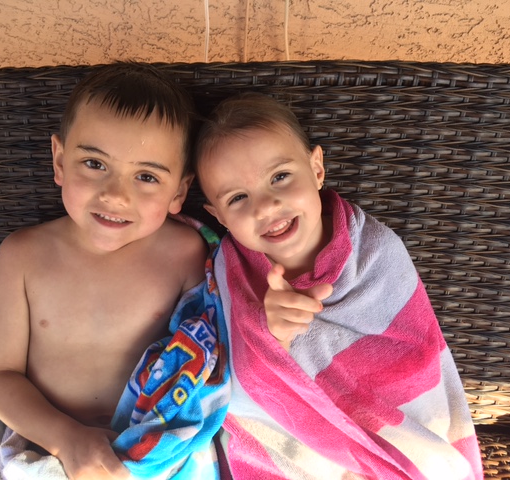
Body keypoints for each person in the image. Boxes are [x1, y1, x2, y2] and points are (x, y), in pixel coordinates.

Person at [194, 92, 483, 479]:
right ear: (219, 216)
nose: (265, 207)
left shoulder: (375, 252)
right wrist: (271, 337)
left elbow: (415, 354)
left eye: (280, 177)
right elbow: (233, 388)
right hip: (301, 451)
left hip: (395, 438)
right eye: (238, 198)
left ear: (316, 169)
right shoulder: (229, 275)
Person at [0, 62, 210, 479]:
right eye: (95, 164)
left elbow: (210, 359)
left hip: (155, 448)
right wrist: (66, 439)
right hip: (46, 440)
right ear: (60, 160)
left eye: (146, 176)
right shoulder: (22, 256)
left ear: (179, 191)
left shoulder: (186, 254)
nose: (116, 196)